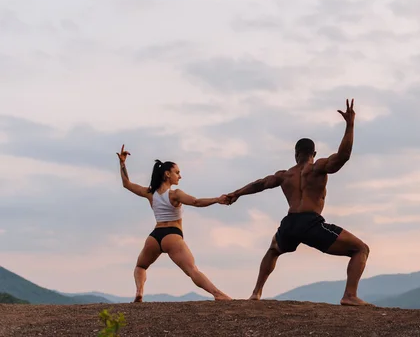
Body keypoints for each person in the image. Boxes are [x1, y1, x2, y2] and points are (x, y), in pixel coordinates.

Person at [225, 99, 370, 306]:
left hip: (290, 223)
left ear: (295, 154)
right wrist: (350, 125)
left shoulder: (285, 175)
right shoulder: (317, 167)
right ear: (314, 154)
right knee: (360, 249)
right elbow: (343, 157)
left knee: (273, 250)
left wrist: (236, 193)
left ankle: (256, 293)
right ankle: (349, 296)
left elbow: (260, 184)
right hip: (311, 223)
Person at [116, 144, 232, 302]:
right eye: (177, 172)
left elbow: (126, 184)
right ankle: (218, 294)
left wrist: (122, 163)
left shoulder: (150, 193)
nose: (180, 176)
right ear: (167, 174)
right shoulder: (175, 194)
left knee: (140, 266)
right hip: (172, 235)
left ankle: (139, 292)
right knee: (192, 270)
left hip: (154, 237)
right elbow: (196, 202)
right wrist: (217, 200)